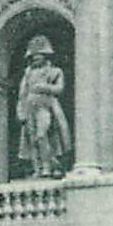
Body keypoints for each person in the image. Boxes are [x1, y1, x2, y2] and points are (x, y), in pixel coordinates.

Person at [16, 35, 71, 177]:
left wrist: (44, 87)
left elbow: (59, 88)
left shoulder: (55, 71)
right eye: (33, 56)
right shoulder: (28, 74)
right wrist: (20, 111)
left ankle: (49, 166)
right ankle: (37, 169)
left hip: (46, 106)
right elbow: (22, 94)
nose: (35, 58)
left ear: (45, 56)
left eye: (38, 55)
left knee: (42, 135)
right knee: (32, 140)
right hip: (29, 108)